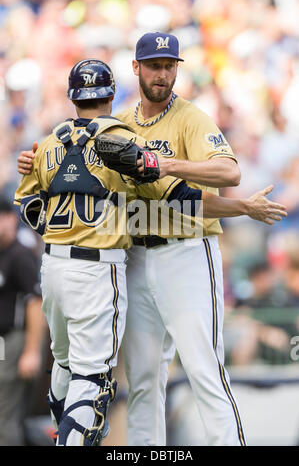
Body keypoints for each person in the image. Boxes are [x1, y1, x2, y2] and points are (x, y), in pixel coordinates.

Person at [17, 42, 287, 446]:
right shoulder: (116, 125)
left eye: (168, 66)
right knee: (142, 379)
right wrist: (33, 162)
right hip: (133, 258)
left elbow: (227, 173)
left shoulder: (190, 119)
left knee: (204, 370)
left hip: (186, 251)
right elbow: (168, 191)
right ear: (136, 69)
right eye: (152, 66)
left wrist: (234, 203)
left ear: (177, 69)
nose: (161, 73)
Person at [0, 196, 45, 446]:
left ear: (8, 218)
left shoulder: (20, 255)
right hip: (2, 343)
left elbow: (35, 303)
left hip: (15, 339)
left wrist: (31, 351)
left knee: (4, 417)